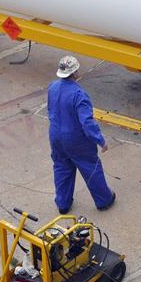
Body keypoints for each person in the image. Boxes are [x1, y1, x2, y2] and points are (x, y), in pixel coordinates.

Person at [46, 55, 115, 214]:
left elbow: (51, 111)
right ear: (75, 72)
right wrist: (101, 140)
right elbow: (87, 123)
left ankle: (63, 203)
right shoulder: (79, 94)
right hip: (76, 140)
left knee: (62, 168)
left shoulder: (53, 87)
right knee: (91, 167)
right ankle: (104, 199)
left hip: (56, 136)